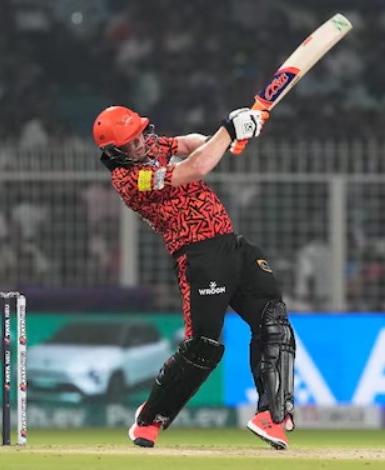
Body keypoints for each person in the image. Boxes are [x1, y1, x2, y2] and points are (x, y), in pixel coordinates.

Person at [92, 106, 296, 449]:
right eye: (129, 142)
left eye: (139, 134)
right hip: (198, 257)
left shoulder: (153, 145)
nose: (139, 143)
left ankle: (271, 415)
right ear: (114, 152)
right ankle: (150, 418)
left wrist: (231, 138)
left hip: (232, 245)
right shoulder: (130, 180)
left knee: (274, 321)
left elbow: (190, 144)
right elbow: (194, 168)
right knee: (203, 347)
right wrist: (227, 130)